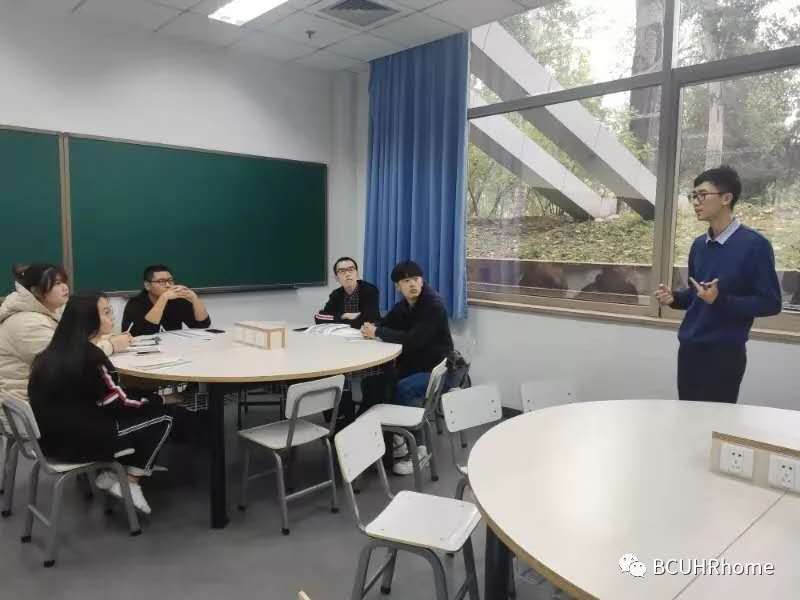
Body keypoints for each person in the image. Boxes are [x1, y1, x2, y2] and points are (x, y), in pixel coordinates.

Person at [28, 293, 173, 514]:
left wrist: (143, 396)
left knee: (139, 407)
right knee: (163, 416)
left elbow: (105, 397)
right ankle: (130, 482)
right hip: (77, 445)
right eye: (106, 312)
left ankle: (113, 473)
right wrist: (160, 398)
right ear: (89, 319)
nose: (111, 317)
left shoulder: (51, 353)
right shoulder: (91, 357)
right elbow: (118, 402)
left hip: (49, 441)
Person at [655, 166, 781, 403]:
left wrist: (720, 300)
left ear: (726, 198)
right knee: (688, 417)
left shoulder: (755, 245)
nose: (696, 202)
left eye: (703, 195)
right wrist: (674, 298)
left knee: (716, 420)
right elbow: (697, 294)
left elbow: (771, 303)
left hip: (724, 354)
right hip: (690, 348)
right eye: (693, 196)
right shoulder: (699, 245)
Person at [361, 260, 454, 475]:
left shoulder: (433, 305)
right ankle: (396, 438)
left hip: (438, 372)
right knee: (376, 381)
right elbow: (386, 323)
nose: (412, 284)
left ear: (422, 281)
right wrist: (372, 327)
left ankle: (418, 449)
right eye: (406, 281)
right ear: (398, 287)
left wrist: (377, 332)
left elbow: (413, 341)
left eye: (416, 279)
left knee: (404, 388)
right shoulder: (404, 306)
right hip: (416, 365)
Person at [0, 264, 130, 404]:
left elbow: (74, 340)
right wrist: (111, 345)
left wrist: (104, 337)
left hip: (47, 394)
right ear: (36, 290)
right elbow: (69, 359)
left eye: (64, 282)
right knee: (114, 398)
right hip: (28, 402)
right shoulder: (27, 322)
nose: (65, 288)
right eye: (57, 283)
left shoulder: (51, 311)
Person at [122, 265, 210, 336]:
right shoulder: (135, 304)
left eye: (170, 280)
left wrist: (195, 298)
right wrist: (163, 299)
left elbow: (202, 325)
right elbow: (145, 333)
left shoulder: (178, 300)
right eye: (161, 281)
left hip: (172, 346)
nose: (168, 285)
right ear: (147, 285)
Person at [314, 257, 380, 329]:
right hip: (342, 333)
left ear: (357, 273)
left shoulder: (370, 290)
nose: (347, 274)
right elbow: (319, 318)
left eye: (351, 269)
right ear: (336, 277)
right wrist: (344, 315)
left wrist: (337, 320)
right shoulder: (336, 294)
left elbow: (369, 319)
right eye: (342, 271)